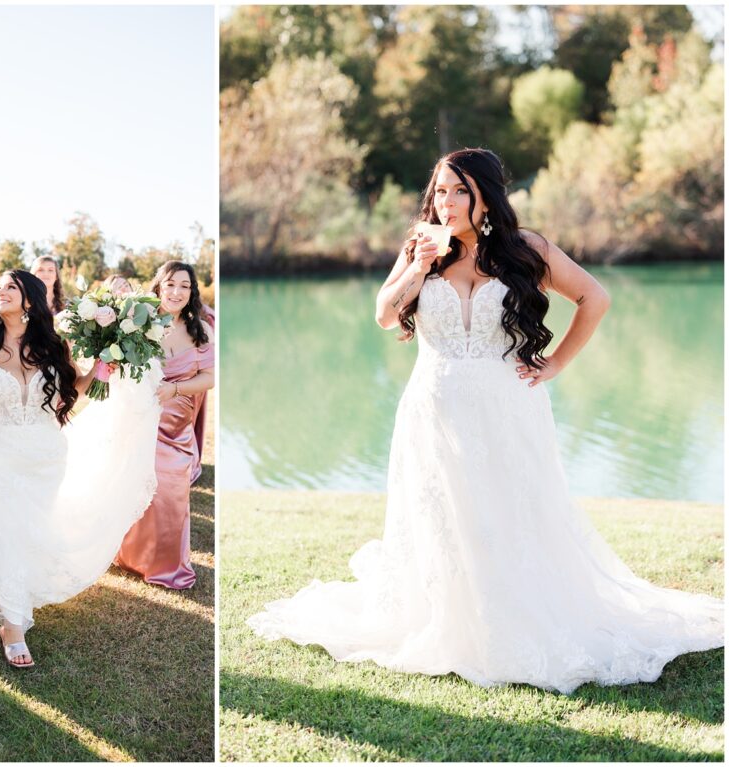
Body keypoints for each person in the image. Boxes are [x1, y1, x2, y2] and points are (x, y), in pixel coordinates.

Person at [247, 148, 724, 694]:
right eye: (440, 190)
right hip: (434, 404)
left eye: (459, 191)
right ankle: (447, 616)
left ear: (486, 196)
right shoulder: (420, 246)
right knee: (442, 514)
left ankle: (515, 615)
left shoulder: (527, 251)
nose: (446, 202)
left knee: (509, 511)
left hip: (509, 405)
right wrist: (423, 263)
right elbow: (383, 315)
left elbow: (596, 296)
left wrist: (558, 362)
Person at [0, 270, 162, 668]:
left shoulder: (53, 344)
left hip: (44, 455)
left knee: (27, 534)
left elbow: (73, 391)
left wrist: (103, 368)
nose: (0, 292)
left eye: (11, 287)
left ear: (30, 300)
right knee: (7, 533)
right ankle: (14, 624)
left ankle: (13, 610)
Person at [116, 261, 214, 589]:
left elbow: (209, 378)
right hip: (142, 419)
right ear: (159, 285)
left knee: (171, 494)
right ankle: (131, 556)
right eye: (171, 284)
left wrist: (175, 388)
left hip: (177, 425)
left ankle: (168, 566)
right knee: (137, 487)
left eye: (184, 286)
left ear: (192, 292)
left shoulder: (202, 330)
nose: (176, 292)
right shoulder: (137, 322)